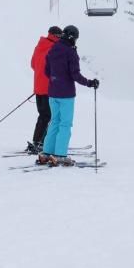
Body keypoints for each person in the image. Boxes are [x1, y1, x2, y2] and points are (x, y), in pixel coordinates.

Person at [39, 25, 99, 167]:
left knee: (54, 122)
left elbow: (47, 71)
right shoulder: (70, 52)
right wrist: (90, 83)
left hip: (53, 92)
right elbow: (75, 75)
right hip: (66, 95)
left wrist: (56, 78)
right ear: (72, 37)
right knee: (65, 124)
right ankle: (59, 155)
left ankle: (46, 153)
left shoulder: (53, 49)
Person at [27, 25, 63, 154]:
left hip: (38, 87)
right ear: (56, 36)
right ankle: (41, 143)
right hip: (49, 88)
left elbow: (33, 64)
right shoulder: (55, 47)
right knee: (49, 116)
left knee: (43, 115)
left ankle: (37, 141)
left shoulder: (40, 46)